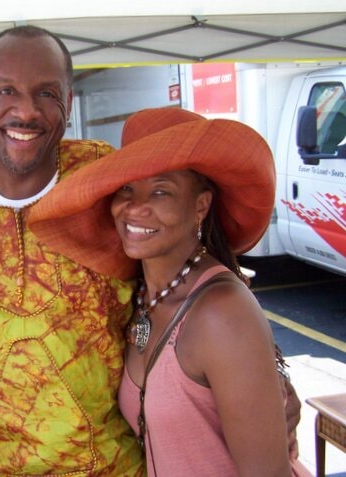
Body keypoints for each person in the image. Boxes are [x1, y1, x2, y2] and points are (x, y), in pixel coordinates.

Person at [29, 107, 311, 476]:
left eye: (161, 191)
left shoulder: (220, 312)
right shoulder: (140, 295)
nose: (136, 207)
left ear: (200, 205)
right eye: (127, 188)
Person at [0, 25, 143, 475]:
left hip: (112, 465)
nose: (26, 111)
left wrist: (268, 371)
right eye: (6, 90)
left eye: (46, 93)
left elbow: (193, 267)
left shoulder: (105, 178)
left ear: (69, 98)